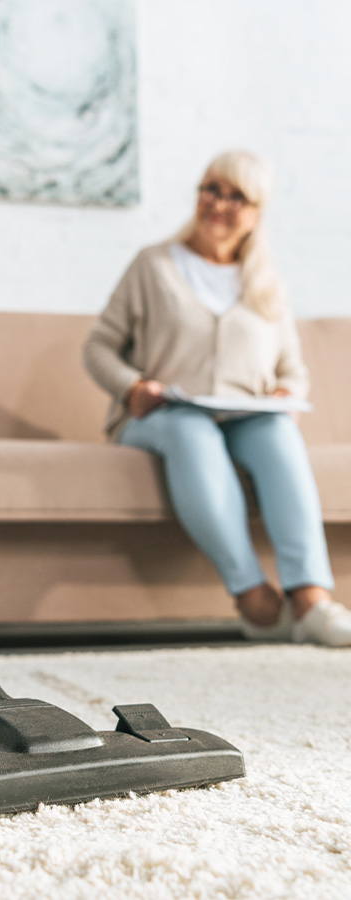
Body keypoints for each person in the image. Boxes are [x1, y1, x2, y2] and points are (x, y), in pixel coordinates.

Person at [83, 149, 351, 646]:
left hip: (246, 415)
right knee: (192, 429)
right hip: (162, 415)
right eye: (211, 188)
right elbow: (99, 347)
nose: (218, 203)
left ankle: (311, 598)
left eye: (236, 196)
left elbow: (294, 370)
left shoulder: (266, 283)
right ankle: (253, 596)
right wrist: (132, 387)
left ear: (256, 213)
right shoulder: (154, 264)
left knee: (276, 432)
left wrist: (288, 394)